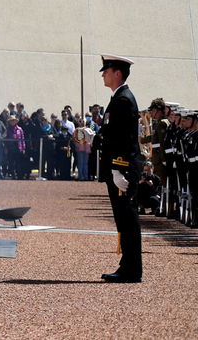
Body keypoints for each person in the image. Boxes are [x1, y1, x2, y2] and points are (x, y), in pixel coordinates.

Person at [96, 54, 142, 283]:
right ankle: (127, 267)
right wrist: (93, 136)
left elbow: (124, 139)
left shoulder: (123, 100)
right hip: (117, 167)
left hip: (122, 169)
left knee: (127, 219)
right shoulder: (118, 98)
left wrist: (118, 169)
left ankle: (131, 270)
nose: (103, 74)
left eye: (107, 70)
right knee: (123, 219)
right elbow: (110, 133)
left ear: (118, 73)